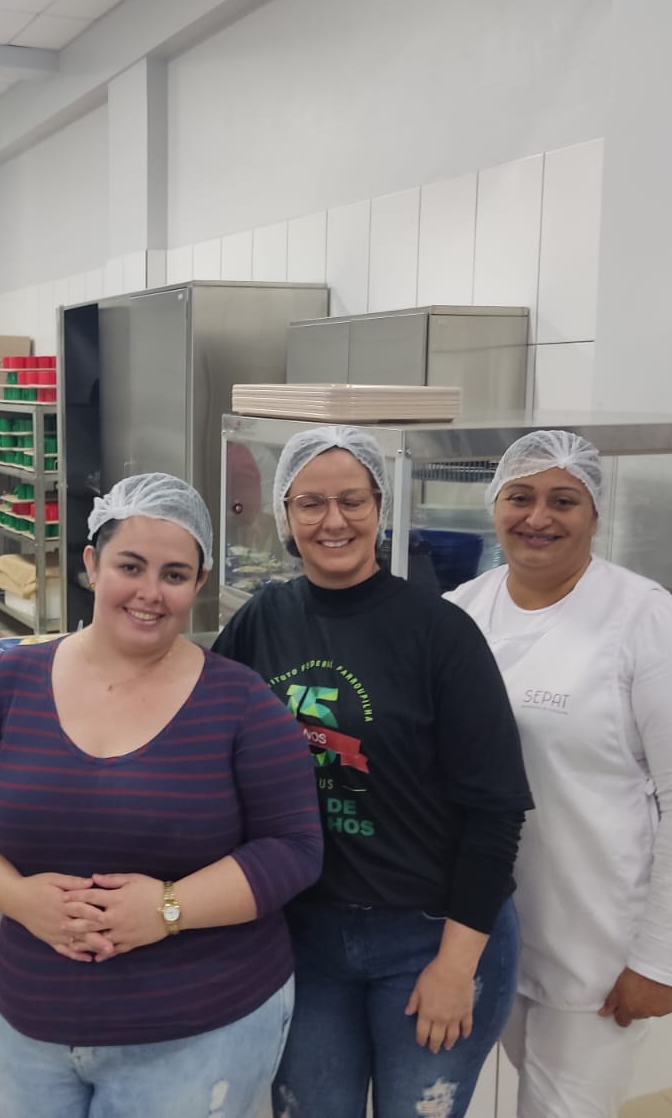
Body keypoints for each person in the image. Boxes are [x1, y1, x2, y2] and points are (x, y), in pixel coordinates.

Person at [0, 473, 322, 1118]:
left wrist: (168, 909)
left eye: (174, 574)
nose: (149, 593)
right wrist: (21, 899)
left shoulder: (241, 702)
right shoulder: (10, 682)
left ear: (199, 583)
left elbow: (295, 847)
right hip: (30, 1024)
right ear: (91, 564)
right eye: (130, 566)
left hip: (199, 1030)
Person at [212, 425, 532, 1118]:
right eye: (311, 504)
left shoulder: (440, 633)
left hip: (429, 935)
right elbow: (202, 737)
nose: (334, 521)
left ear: (380, 507)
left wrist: (456, 966)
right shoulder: (262, 621)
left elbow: (496, 812)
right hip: (305, 937)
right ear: (285, 514)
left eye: (352, 501)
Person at [446, 431, 672, 1118]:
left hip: (593, 945)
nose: (538, 518)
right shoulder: (460, 611)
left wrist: (659, 960)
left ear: (595, 513)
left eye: (563, 501)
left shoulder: (648, 622)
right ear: (494, 506)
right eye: (520, 497)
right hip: (478, 931)